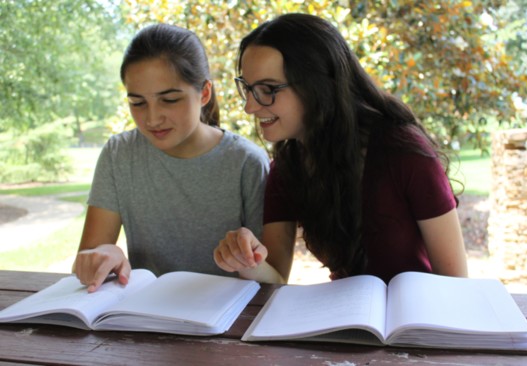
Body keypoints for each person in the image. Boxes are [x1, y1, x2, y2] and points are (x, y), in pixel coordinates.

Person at [214, 13, 468, 284]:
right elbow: (275, 280)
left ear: (318, 85)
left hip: (417, 317)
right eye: (248, 88)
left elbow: (456, 282)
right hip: (347, 314)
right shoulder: (287, 168)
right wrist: (246, 259)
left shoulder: (404, 152)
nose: (250, 107)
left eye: (268, 89)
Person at [73, 23, 270, 292]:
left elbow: (270, 280)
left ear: (204, 93)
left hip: (228, 322)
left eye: (169, 100)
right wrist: (107, 258)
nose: (152, 118)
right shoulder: (119, 154)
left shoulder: (247, 162)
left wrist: (248, 257)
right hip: (144, 320)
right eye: (138, 103)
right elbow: (86, 265)